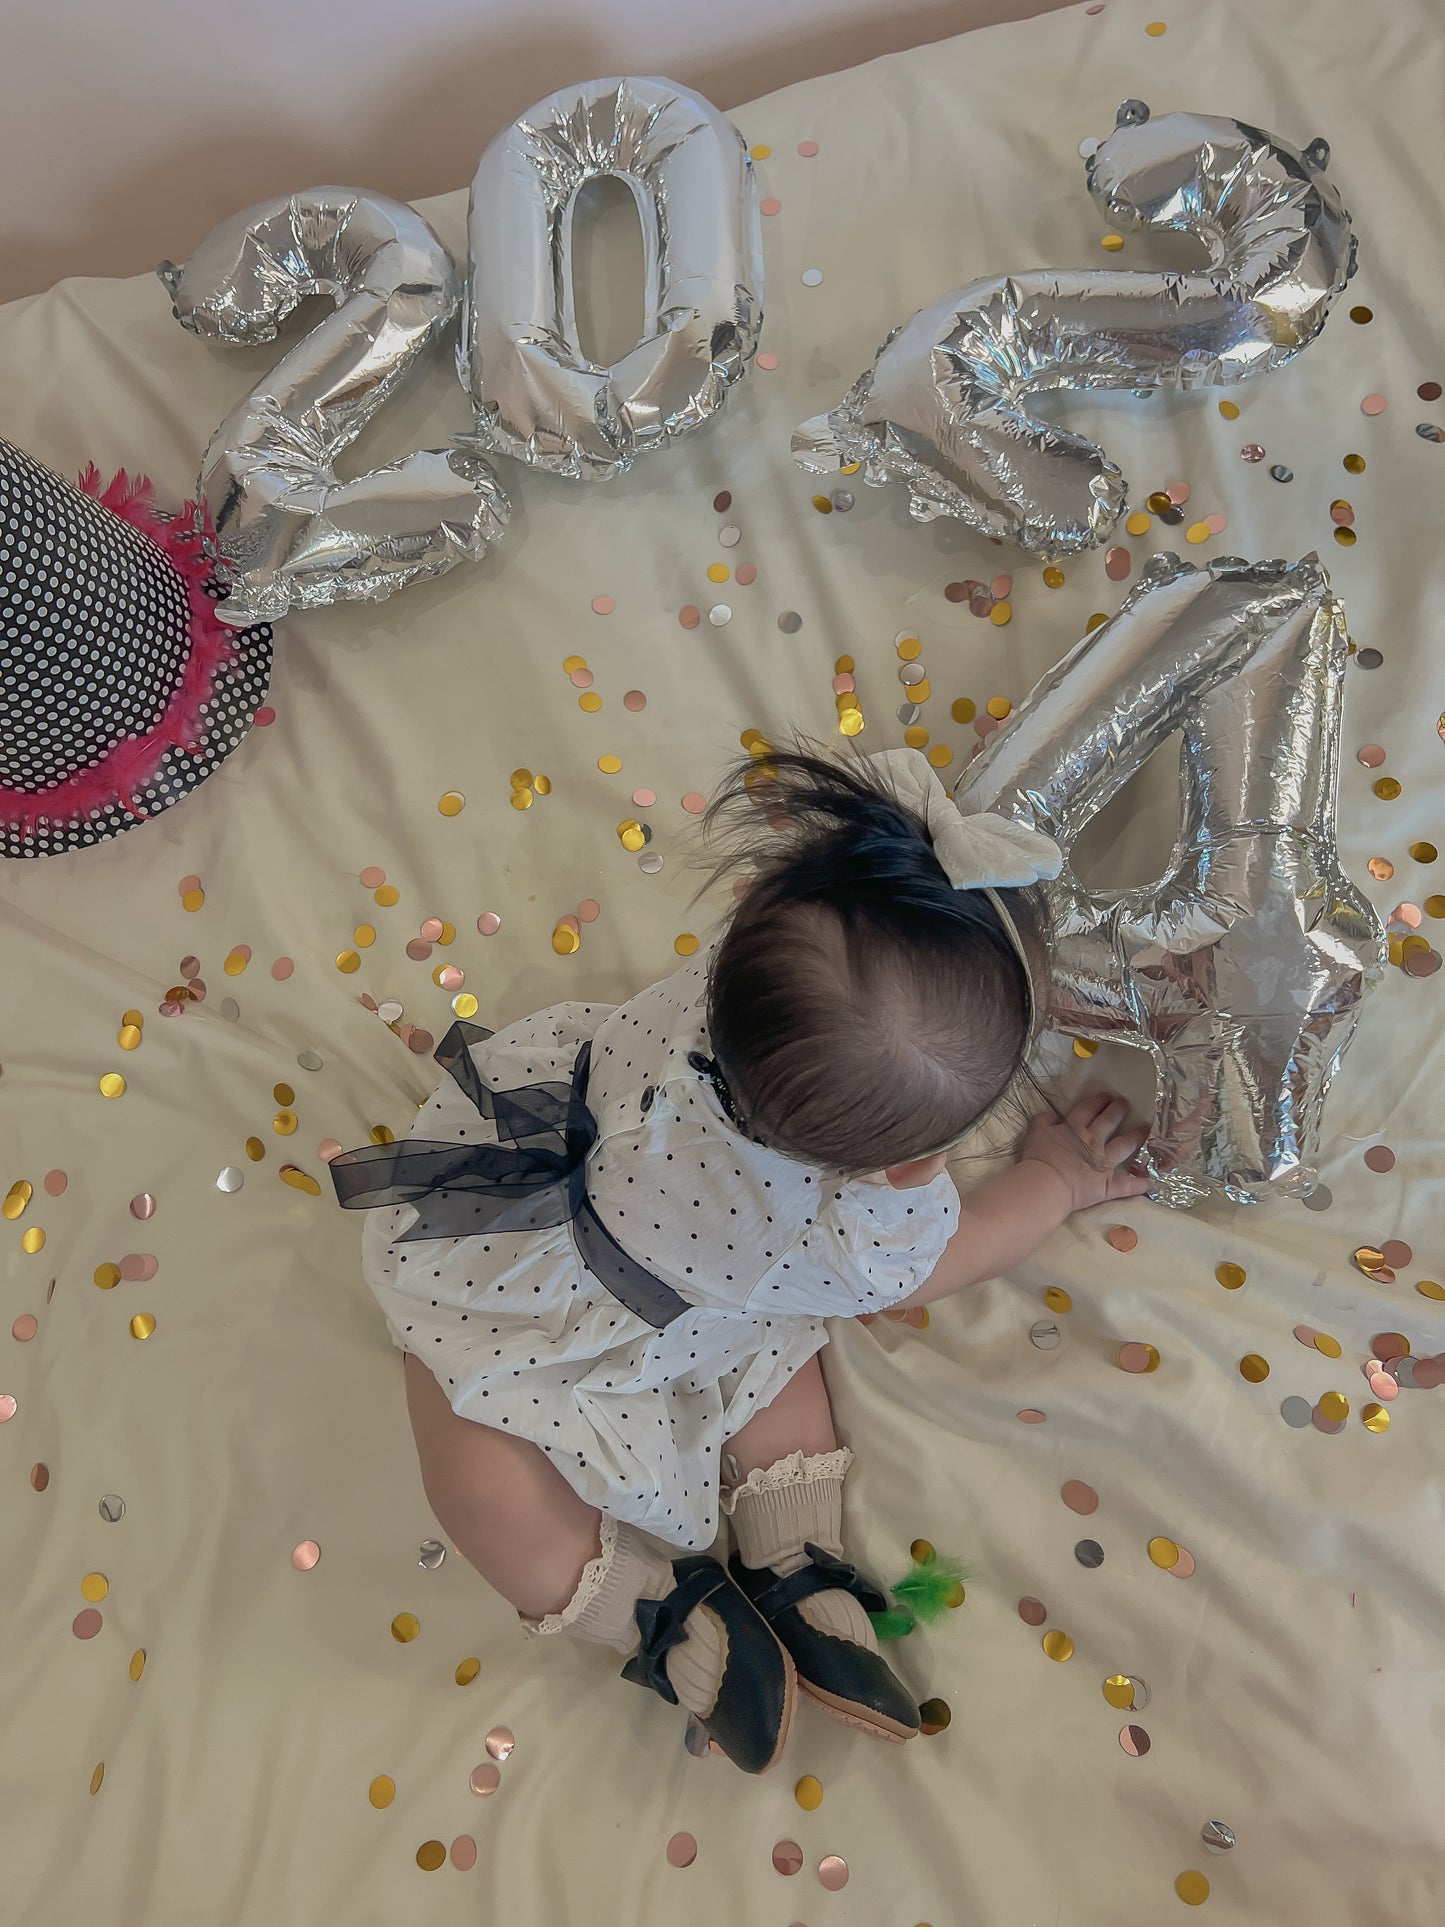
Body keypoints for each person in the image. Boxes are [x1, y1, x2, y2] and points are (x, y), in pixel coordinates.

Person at [331, 743, 1149, 1774]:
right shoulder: (852, 1237)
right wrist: (1059, 1177)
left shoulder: (748, 957)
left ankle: (776, 1554)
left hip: (546, 1196)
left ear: (764, 890)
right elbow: (963, 1250)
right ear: (913, 1162)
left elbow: (847, 941)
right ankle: (652, 1608)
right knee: (669, 1399)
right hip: (518, 1301)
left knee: (556, 1455)